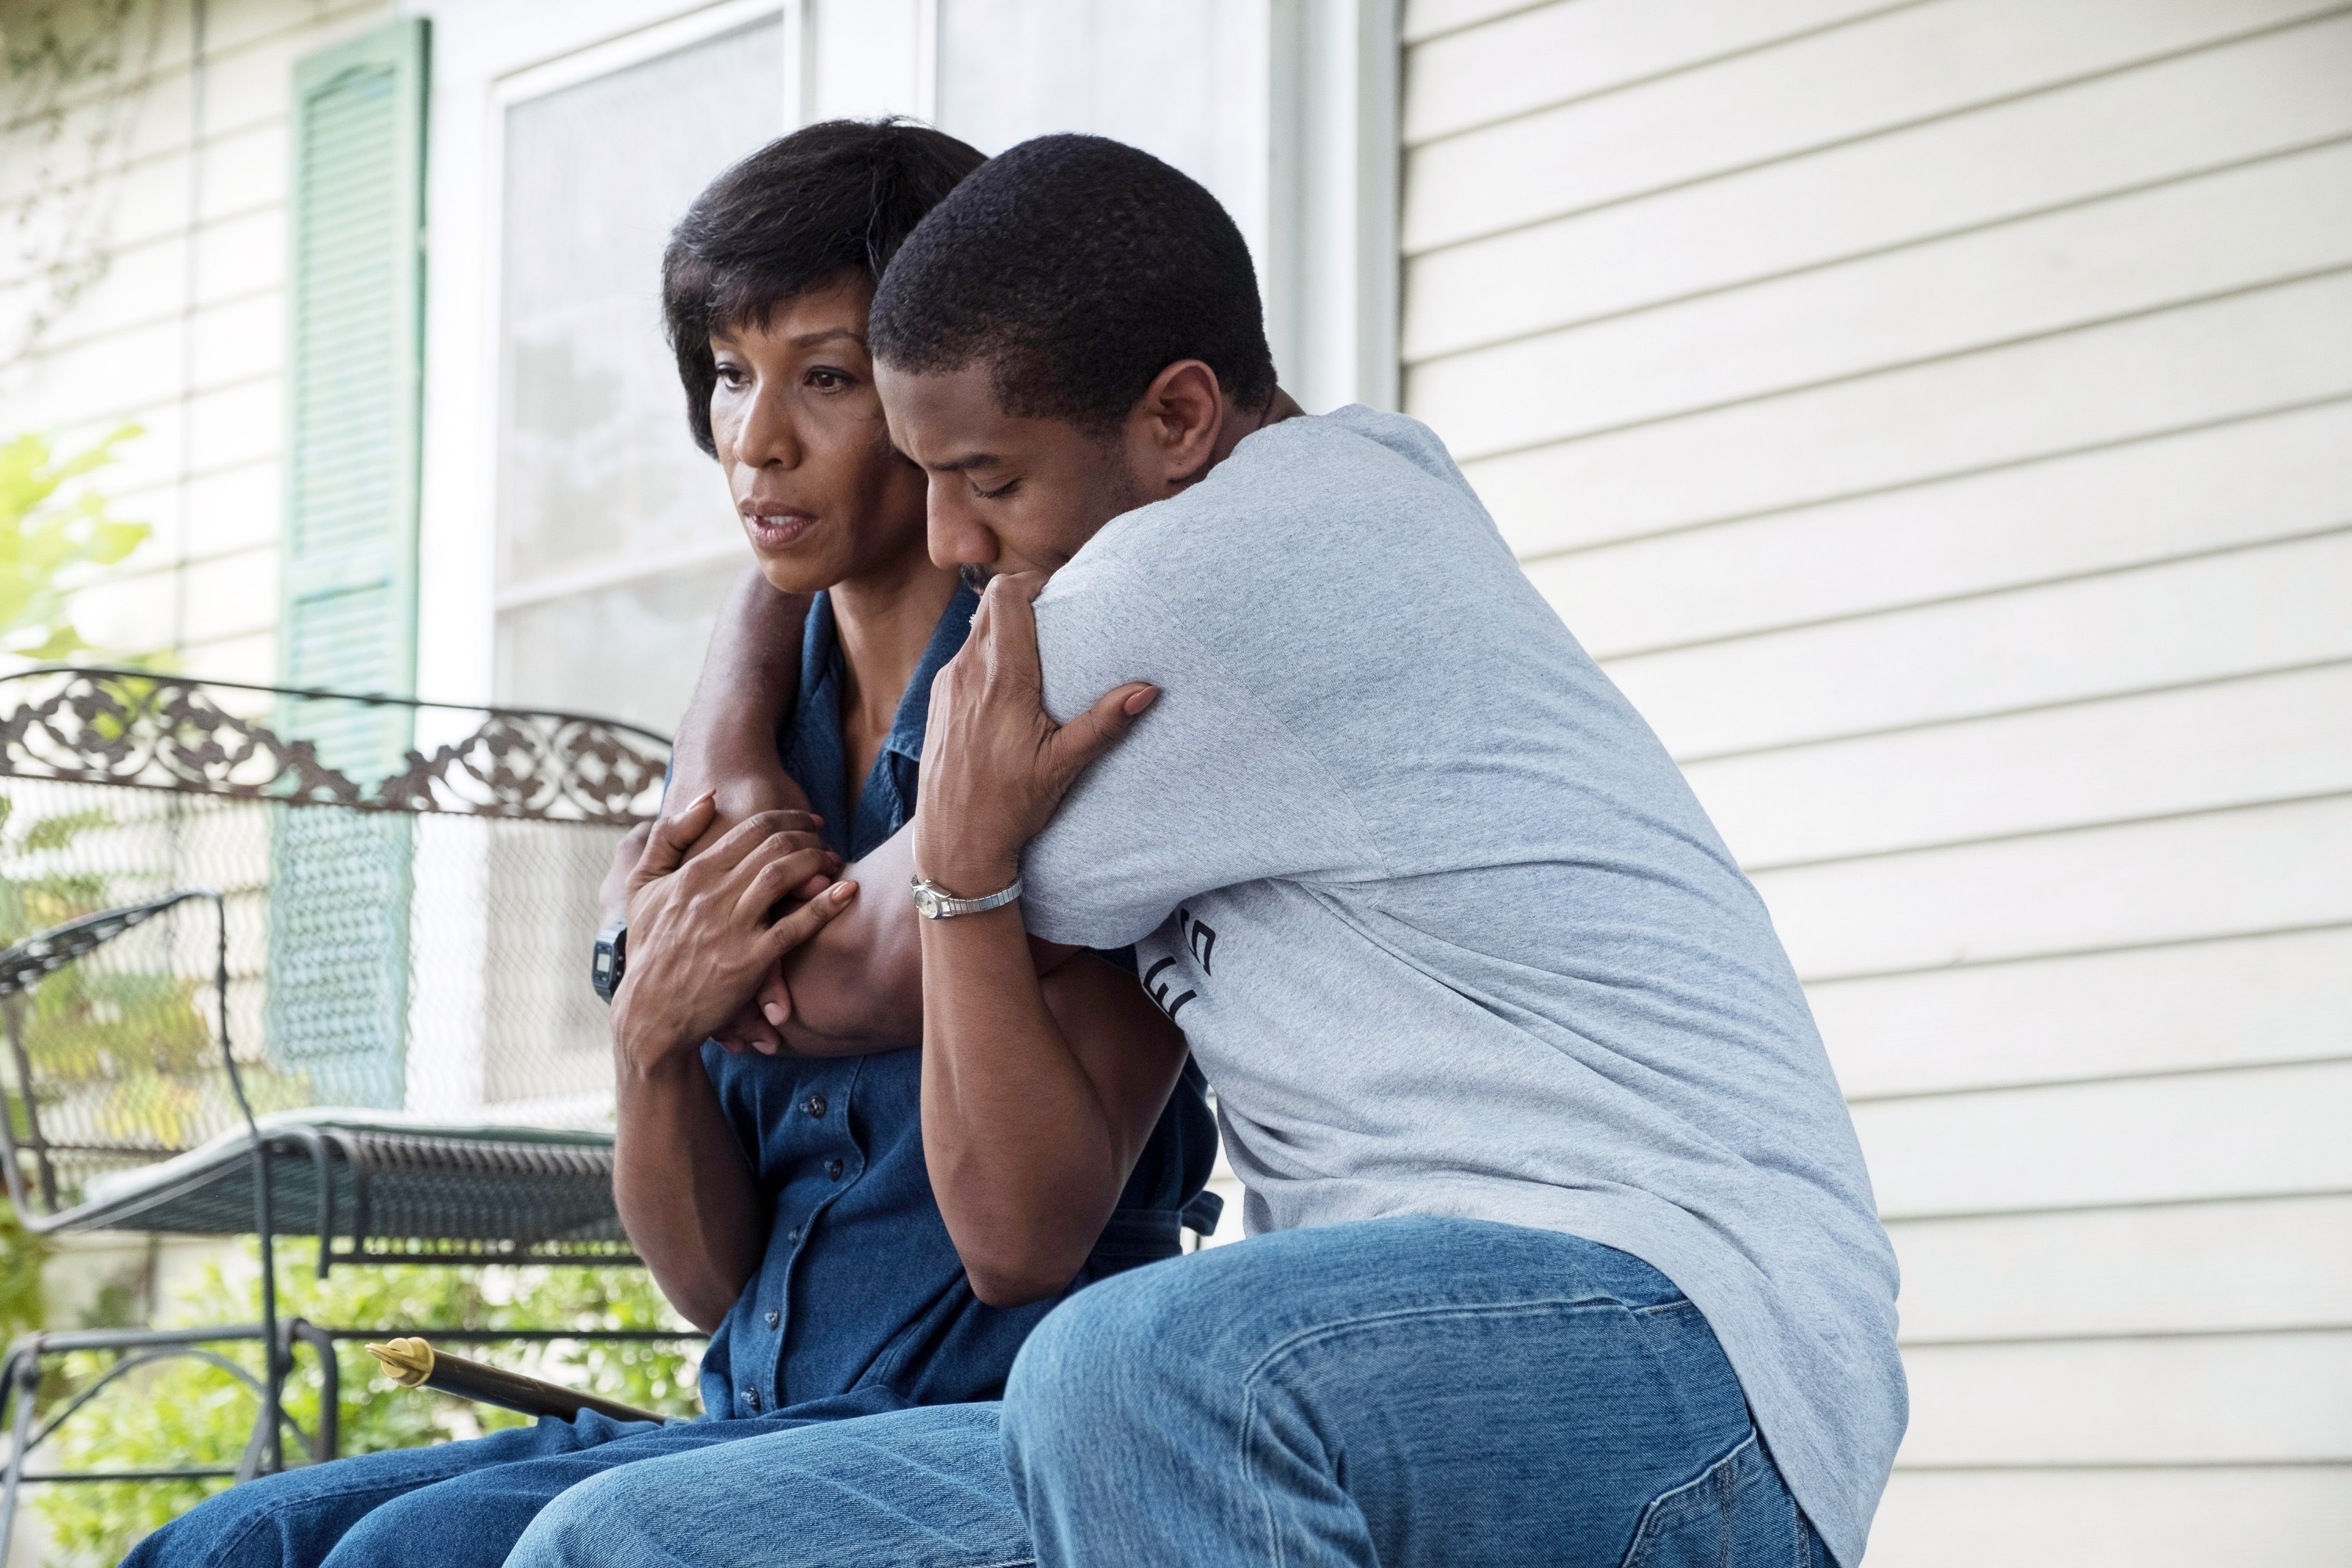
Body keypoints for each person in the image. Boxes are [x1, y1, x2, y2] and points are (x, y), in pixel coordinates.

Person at [506, 133, 1905, 1568]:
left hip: (1677, 1347)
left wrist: (662, 936)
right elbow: (998, 1215)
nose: (949, 538)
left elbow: (817, 976)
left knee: (1129, 1362)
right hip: (1363, 1372)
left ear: (1178, 416)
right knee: (626, 1543)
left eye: (986, 476)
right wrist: (774, 772)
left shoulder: (1187, 576)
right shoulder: (1346, 484)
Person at [121, 122, 1214, 1568]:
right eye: (726, 372)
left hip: (973, 1429)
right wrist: (647, 1038)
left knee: (412, 1555)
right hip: (747, 1420)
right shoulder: (766, 730)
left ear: (940, 385)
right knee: (225, 1547)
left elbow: (1034, 1233)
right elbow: (716, 1290)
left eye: (825, 378)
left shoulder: (1048, 698)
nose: (756, 436)